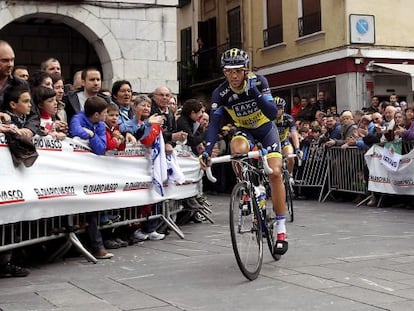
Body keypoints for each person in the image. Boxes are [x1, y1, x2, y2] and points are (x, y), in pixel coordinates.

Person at [200, 48, 288, 256]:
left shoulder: (259, 82)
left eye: (238, 71)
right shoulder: (220, 93)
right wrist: (207, 150)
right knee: (236, 149)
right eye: (229, 71)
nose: (233, 76)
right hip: (244, 130)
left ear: (246, 71)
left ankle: (281, 229)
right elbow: (214, 124)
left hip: (266, 129)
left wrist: (254, 93)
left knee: (275, 173)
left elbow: (272, 113)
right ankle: (248, 188)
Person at [124, 95, 166, 241]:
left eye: (148, 106)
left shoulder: (151, 123)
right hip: (134, 167)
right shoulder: (129, 123)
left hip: (149, 165)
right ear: (134, 106)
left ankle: (150, 227)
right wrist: (149, 124)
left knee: (151, 195)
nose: (146, 108)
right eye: (143, 105)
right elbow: (142, 138)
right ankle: (134, 228)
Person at [273, 96, 302, 180]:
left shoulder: (288, 118)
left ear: (283, 109)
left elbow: (294, 133)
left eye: (279, 108)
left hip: (283, 141)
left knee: (290, 157)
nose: (277, 110)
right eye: (275, 108)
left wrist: (297, 148)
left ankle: (289, 176)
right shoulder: (268, 118)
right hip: (272, 142)